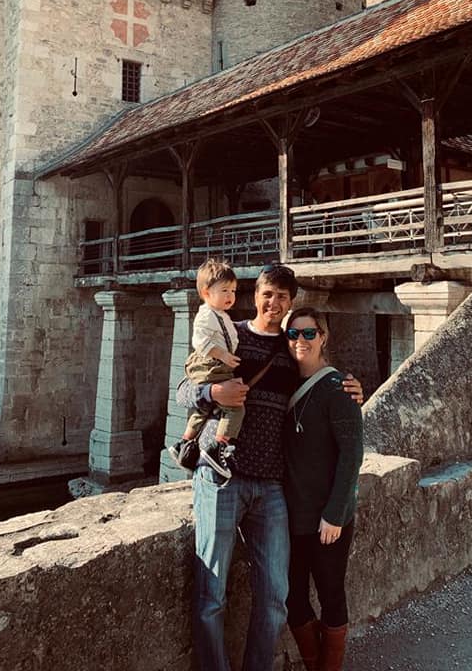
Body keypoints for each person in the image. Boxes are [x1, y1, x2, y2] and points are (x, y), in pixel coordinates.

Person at [176, 263, 362, 671]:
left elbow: (320, 382)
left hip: (271, 487)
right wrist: (212, 391)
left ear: (290, 302)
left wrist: (350, 387)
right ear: (254, 295)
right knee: (212, 595)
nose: (273, 303)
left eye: (282, 296)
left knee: (276, 596)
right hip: (221, 478)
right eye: (267, 294)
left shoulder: (292, 348)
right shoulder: (231, 334)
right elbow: (183, 389)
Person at [283, 307, 363, 671]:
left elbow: (352, 456)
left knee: (331, 595)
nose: (301, 341)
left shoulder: (339, 389)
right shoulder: (284, 382)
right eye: (294, 334)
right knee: (293, 599)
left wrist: (334, 513)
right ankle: (314, 664)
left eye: (309, 333)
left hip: (328, 519)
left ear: (324, 336)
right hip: (290, 514)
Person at [168, 258, 241, 478]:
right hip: (212, 364)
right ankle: (217, 447)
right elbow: (201, 343)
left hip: (217, 364)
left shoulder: (221, 315)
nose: (230, 296)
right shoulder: (206, 315)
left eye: (234, 291)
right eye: (225, 290)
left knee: (204, 409)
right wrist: (225, 357)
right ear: (207, 292)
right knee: (235, 408)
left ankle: (184, 443)